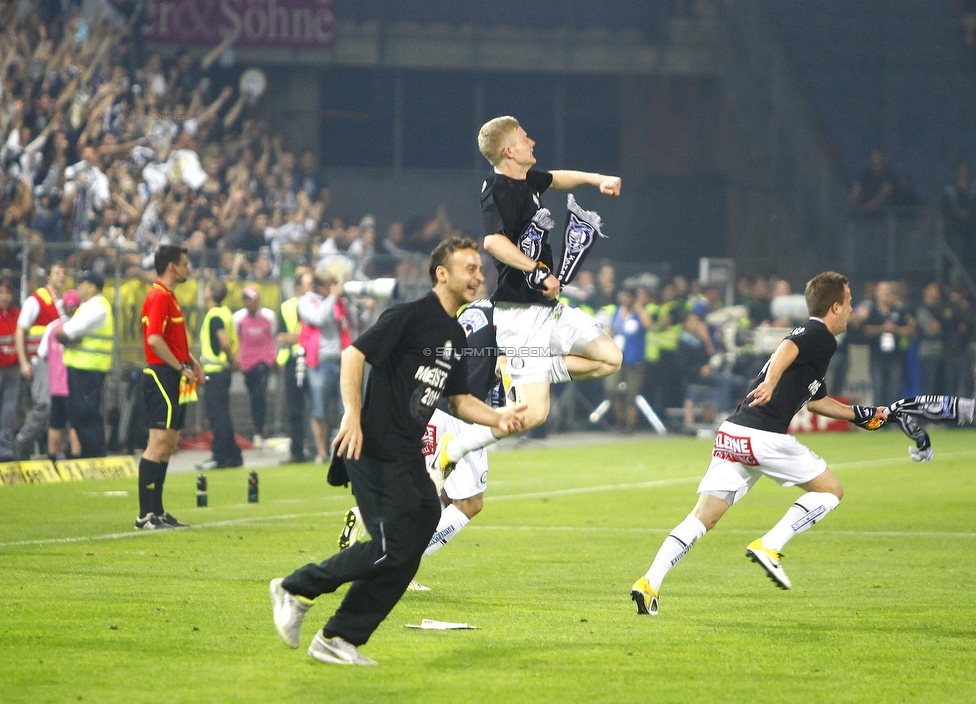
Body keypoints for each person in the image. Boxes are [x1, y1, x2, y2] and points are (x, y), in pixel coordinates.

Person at [269, 237, 526, 666]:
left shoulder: (454, 333)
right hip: (370, 447)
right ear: (442, 273)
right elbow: (354, 354)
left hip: (406, 455)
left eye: (480, 269)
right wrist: (352, 414)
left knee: (415, 539)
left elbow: (460, 401)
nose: (479, 276)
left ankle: (338, 638)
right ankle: (296, 587)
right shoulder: (410, 315)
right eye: (470, 268)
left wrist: (500, 417)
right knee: (391, 547)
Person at [630, 272, 887, 616]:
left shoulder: (815, 345)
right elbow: (786, 347)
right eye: (850, 303)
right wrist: (769, 382)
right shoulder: (819, 335)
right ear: (835, 306)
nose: (852, 310)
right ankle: (771, 545)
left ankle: (649, 583)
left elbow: (817, 401)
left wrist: (862, 415)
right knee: (830, 491)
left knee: (702, 518)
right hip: (763, 436)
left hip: (733, 434)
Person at [435, 116, 622, 470]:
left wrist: (597, 180)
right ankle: (454, 449)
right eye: (524, 139)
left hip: (547, 307)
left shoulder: (527, 181)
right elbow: (492, 241)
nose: (532, 142)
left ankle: (520, 370)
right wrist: (537, 270)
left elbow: (558, 178)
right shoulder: (498, 187)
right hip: (519, 314)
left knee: (610, 358)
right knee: (534, 415)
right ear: (509, 151)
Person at [337, 297, 502, 589]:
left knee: (432, 493)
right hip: (465, 410)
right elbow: (502, 366)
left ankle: (370, 518)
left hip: (434, 403)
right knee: (469, 503)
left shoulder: (472, 309)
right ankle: (396, 564)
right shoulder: (512, 315)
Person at [136, 245, 205, 530]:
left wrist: (192, 362)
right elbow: (154, 340)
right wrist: (181, 368)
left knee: (170, 444)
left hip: (174, 374)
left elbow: (172, 341)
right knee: (158, 443)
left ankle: (159, 511)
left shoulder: (170, 297)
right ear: (172, 267)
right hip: (161, 375)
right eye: (185, 264)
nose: (189, 269)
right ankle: (144, 516)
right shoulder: (158, 297)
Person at [56, 271, 114, 459]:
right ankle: (90, 454)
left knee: (86, 414)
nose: (77, 287)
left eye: (81, 283)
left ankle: (95, 455)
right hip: (83, 367)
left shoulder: (96, 307)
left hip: (89, 368)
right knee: (79, 415)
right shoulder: (89, 306)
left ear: (92, 286)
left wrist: (66, 336)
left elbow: (66, 332)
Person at [14, 263, 66, 459]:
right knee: (44, 404)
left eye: (63, 273)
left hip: (59, 362)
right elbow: (21, 330)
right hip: (39, 359)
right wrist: (24, 362)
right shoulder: (36, 300)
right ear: (48, 277)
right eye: (57, 272)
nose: (61, 276)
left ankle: (54, 449)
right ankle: (23, 441)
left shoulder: (64, 303)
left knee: (59, 405)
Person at [298, 272, 350, 463]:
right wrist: (333, 297)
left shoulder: (337, 301)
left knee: (346, 408)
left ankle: (344, 451)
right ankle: (321, 451)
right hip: (319, 361)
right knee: (319, 409)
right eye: (330, 285)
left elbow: (351, 323)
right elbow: (318, 318)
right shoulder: (306, 301)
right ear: (321, 286)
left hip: (341, 359)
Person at [197, 281, 243, 470]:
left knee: (217, 415)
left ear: (210, 293)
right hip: (222, 371)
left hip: (215, 371)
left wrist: (231, 358)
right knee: (223, 414)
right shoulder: (225, 312)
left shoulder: (215, 315)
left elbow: (223, 341)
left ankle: (220, 456)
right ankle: (233, 455)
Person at [38, 289, 82, 462]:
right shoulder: (79, 327)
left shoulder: (52, 327)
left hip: (56, 385)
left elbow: (42, 353)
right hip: (74, 384)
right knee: (75, 425)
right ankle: (76, 458)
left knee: (56, 423)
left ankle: (52, 458)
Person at [277, 270, 314, 463]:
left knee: (317, 407)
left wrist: (296, 338)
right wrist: (305, 338)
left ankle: (317, 449)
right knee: (294, 409)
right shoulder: (287, 307)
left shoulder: (318, 305)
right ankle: (297, 451)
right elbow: (280, 336)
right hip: (293, 361)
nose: (311, 288)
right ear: (298, 287)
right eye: (307, 284)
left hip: (314, 359)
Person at [233, 286, 278, 447]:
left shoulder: (268, 316)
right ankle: (257, 427)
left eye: (250, 299)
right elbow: (236, 338)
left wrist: (273, 358)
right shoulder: (238, 318)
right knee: (254, 395)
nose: (248, 302)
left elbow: (272, 336)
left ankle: (259, 429)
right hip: (247, 362)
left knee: (259, 393)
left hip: (263, 360)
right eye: (245, 299)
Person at [862, 281, 915, 406]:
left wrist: (896, 330)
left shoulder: (899, 311)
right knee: (878, 389)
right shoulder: (872, 311)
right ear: (877, 294)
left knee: (894, 389)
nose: (886, 295)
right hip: (877, 357)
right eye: (883, 292)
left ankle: (891, 418)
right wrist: (882, 328)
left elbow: (909, 330)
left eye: (888, 292)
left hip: (895, 357)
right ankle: (879, 419)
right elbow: (865, 331)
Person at [0, 277, 20, 462]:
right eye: (1, 292)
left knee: (9, 411)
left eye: (7, 292)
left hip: (12, 368)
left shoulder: (16, 314)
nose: (4, 296)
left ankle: (4, 449)